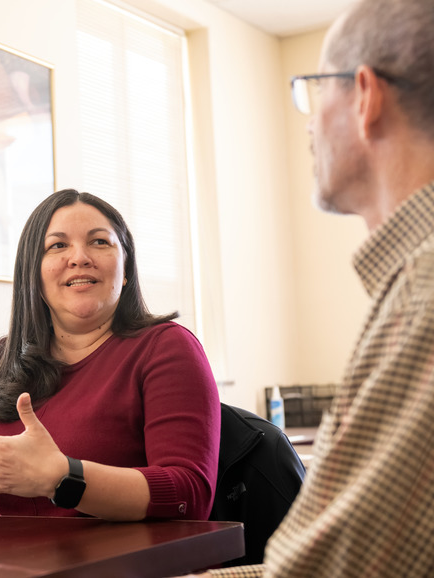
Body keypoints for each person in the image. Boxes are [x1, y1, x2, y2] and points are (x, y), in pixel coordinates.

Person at [180, 0, 434, 576]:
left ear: (365, 95)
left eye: (315, 91)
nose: (311, 123)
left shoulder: (422, 294)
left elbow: (331, 570)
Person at [0, 189, 221, 522]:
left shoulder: (167, 348)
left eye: (99, 242)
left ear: (125, 269)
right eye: (57, 246)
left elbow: (188, 494)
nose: (80, 258)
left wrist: (63, 477)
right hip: (18, 565)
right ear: (33, 272)